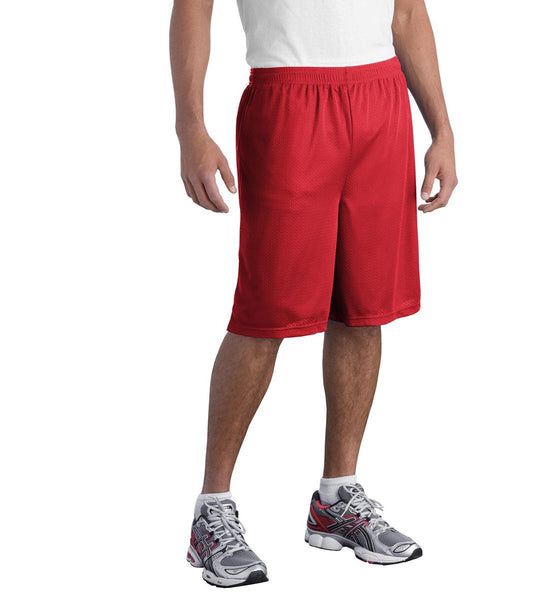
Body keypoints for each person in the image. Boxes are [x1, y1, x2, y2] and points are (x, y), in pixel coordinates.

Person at [170, 0, 457, 588]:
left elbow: (406, 14)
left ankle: (337, 498)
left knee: (364, 308)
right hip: (289, 100)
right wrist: (190, 127)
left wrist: (442, 130)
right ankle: (211, 510)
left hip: (381, 98)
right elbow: (193, 7)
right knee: (264, 315)